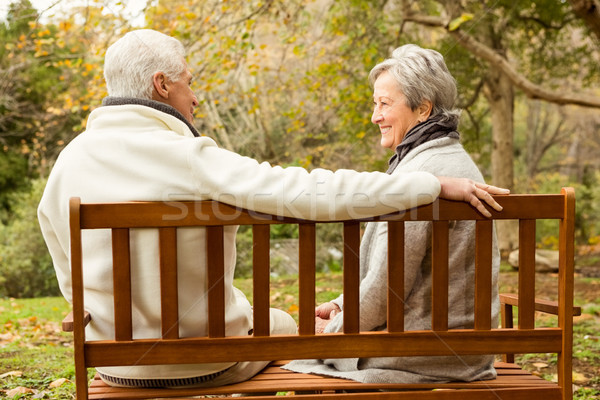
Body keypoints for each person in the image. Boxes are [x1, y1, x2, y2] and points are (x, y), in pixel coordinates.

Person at [37, 31, 507, 389]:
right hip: (201, 362)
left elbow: (66, 275)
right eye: (188, 83)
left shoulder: (67, 164)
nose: (195, 97)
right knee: (287, 325)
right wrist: (425, 186)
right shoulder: (186, 155)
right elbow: (303, 190)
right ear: (161, 85)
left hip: (113, 365)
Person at [284, 44, 501, 384]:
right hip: (466, 347)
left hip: (425, 351)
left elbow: (388, 289)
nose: (375, 116)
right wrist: (343, 304)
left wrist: (333, 330)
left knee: (284, 343)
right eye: (376, 104)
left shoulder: (419, 178)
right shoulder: (452, 162)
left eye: (385, 104)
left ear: (423, 110)